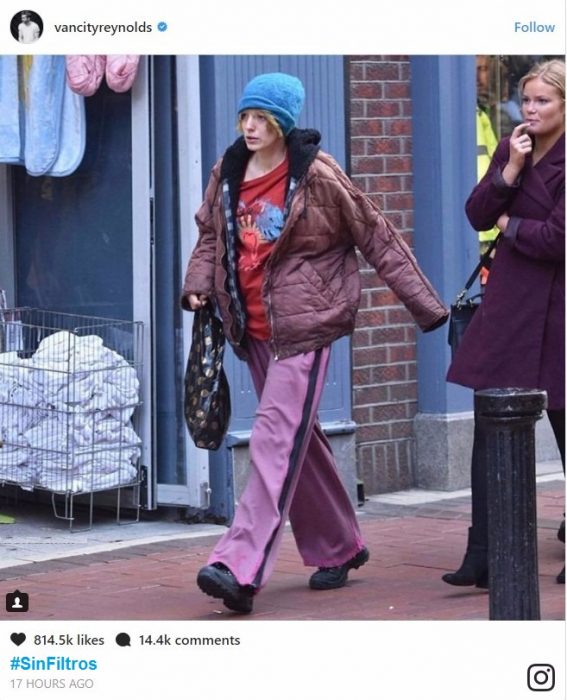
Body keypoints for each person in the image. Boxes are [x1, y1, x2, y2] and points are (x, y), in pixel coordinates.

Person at [181, 72, 449, 613]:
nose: (250, 127)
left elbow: (376, 235)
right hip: (253, 327)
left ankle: (238, 565)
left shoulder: (317, 175)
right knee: (302, 442)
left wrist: (425, 306)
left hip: (307, 326)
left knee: (273, 437)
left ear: (283, 122)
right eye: (245, 116)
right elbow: (211, 232)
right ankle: (339, 545)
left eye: (262, 118)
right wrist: (196, 285)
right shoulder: (228, 171)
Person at [445, 59, 565, 587]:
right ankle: (483, 552)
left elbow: (556, 239)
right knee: (491, 426)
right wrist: (510, 172)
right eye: (528, 100)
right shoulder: (513, 145)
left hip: (559, 309)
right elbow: (475, 213)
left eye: (543, 101)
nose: (531, 110)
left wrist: (509, 222)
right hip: (512, 304)